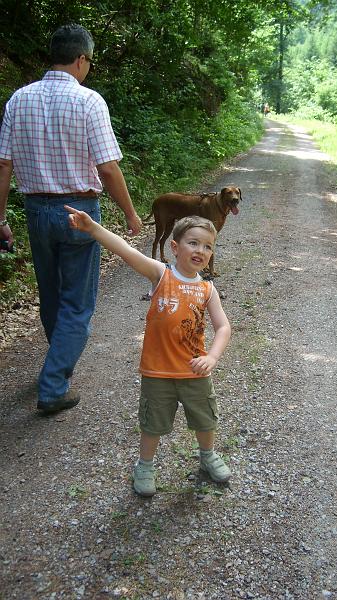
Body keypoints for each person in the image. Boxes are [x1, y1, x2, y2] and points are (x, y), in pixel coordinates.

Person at [0, 24, 142, 414]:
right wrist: (130, 213)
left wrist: (0, 220)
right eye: (90, 63)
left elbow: (4, 165)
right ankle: (53, 385)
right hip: (79, 211)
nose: (88, 69)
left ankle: (56, 363)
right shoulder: (89, 101)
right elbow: (109, 169)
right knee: (77, 303)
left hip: (35, 210)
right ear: (81, 59)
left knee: (51, 292)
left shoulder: (18, 99)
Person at [65, 206, 232, 494]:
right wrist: (93, 229)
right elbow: (127, 252)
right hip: (157, 372)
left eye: (207, 246)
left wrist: (212, 356)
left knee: (205, 419)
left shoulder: (207, 289)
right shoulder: (161, 275)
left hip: (194, 371)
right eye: (193, 243)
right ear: (175, 247)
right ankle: (145, 465)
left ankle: (207, 455)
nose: (201, 250)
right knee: (152, 424)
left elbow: (224, 327)